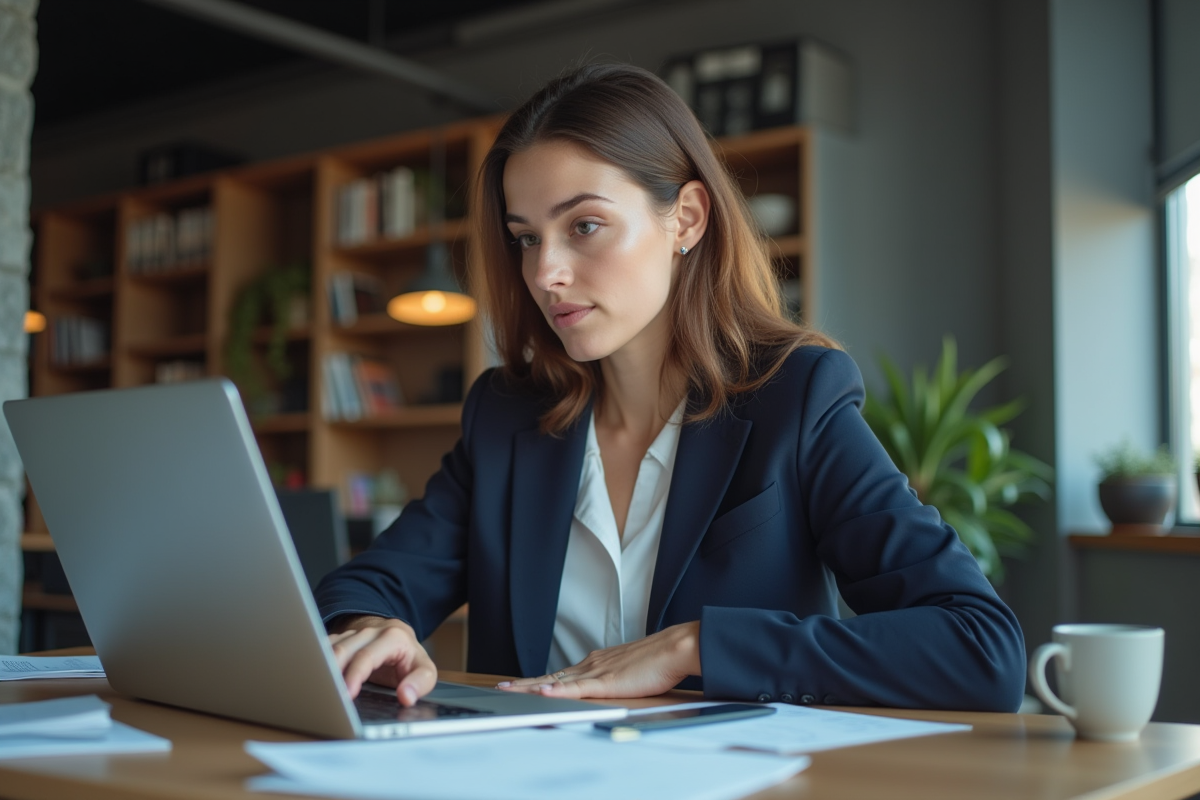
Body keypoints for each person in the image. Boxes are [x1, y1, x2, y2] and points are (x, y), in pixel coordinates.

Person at [314, 63, 1026, 713]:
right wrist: (374, 627)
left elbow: (981, 647)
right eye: (526, 237)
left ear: (685, 218)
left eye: (584, 225)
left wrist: (697, 648)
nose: (545, 273)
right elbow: (365, 587)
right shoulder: (506, 415)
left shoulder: (795, 398)